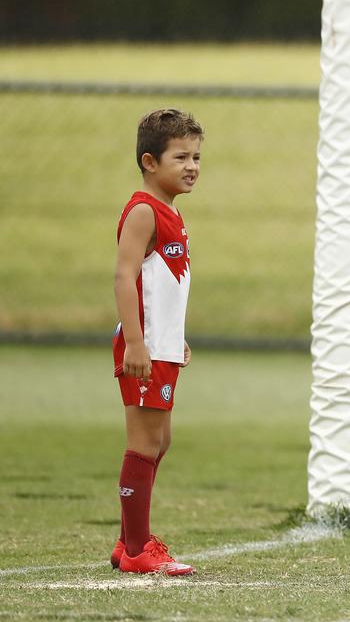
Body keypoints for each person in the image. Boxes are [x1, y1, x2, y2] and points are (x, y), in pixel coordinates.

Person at [109, 108, 203, 575]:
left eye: (197, 157)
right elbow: (125, 278)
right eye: (180, 156)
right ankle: (137, 550)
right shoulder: (144, 211)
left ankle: (130, 540)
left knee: (160, 441)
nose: (192, 166)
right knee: (143, 444)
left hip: (161, 347)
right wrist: (136, 343)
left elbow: (164, 286)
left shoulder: (173, 213)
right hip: (141, 349)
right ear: (150, 161)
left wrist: (172, 340)